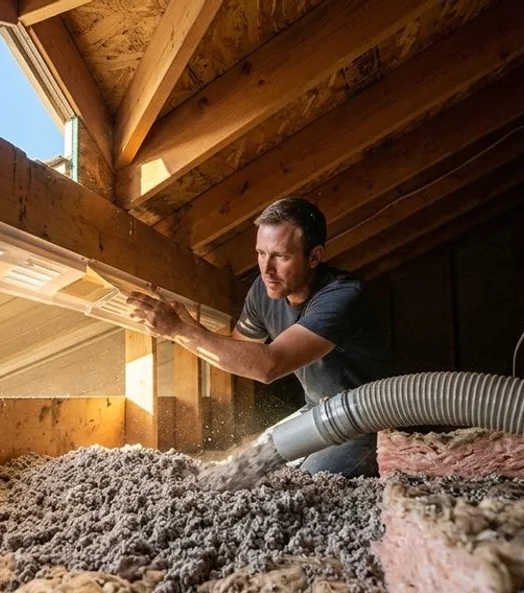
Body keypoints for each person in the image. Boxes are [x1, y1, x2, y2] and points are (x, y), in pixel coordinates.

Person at [126, 197, 392, 477]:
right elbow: (241, 353)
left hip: (366, 421)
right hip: (317, 410)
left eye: (281, 256)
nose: (267, 270)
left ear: (314, 257)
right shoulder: (263, 288)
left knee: (309, 481)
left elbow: (269, 366)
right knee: (252, 464)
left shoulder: (343, 296)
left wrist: (180, 330)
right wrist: (185, 331)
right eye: (261, 253)